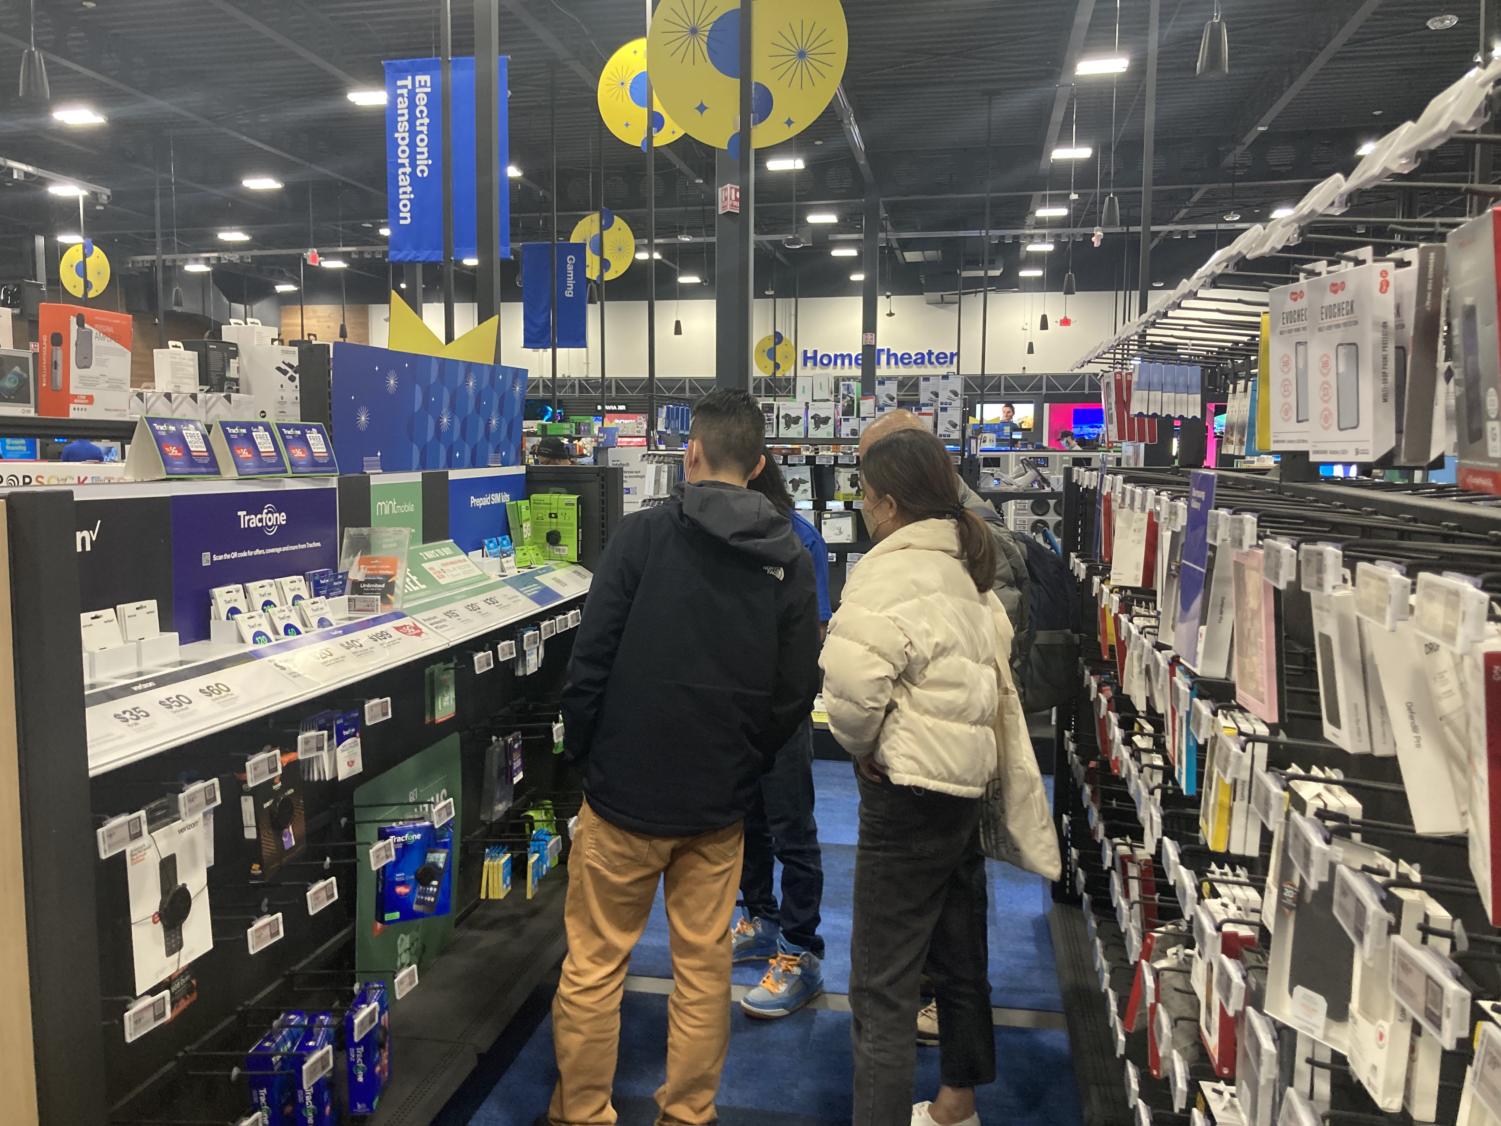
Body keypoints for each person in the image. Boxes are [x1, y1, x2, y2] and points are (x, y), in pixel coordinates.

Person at [550, 389, 821, 1126]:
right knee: (702, 969)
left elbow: (590, 662)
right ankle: (688, 1113)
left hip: (622, 794)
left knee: (595, 964)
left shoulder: (639, 539)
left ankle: (582, 1112)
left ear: (689, 454)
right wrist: (744, 764)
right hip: (717, 804)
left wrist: (586, 755)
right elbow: (794, 691)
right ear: (760, 463)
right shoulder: (789, 556)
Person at [822, 427, 1016, 1126]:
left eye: (866, 496)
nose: (863, 507)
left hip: (904, 792)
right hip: (963, 785)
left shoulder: (888, 568)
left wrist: (863, 747)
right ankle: (955, 1104)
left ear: (889, 502)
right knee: (959, 950)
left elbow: (849, 687)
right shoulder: (966, 562)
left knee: (881, 985)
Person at [733, 457, 830, 1019]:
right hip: (733, 710)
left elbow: (811, 637)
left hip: (783, 711)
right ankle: (761, 917)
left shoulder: (800, 539)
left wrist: (787, 707)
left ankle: (800, 949)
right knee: (747, 821)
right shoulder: (718, 535)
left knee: (792, 828)